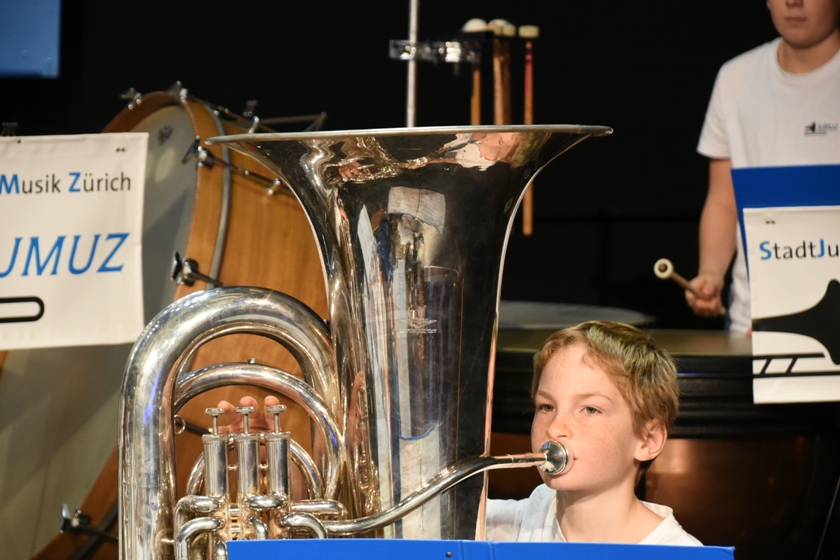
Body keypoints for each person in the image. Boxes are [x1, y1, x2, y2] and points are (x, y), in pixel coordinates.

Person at [687, 0, 840, 333]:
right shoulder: (736, 77)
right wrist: (711, 273)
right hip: (754, 326)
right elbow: (724, 199)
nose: (793, 2)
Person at [485, 321, 701, 545]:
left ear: (648, 439)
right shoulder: (494, 529)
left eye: (590, 409)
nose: (555, 428)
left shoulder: (680, 551)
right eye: (547, 407)